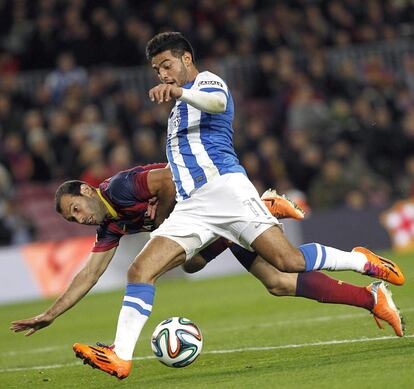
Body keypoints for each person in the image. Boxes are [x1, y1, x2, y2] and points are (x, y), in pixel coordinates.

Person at [13, 32, 405, 379]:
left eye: (166, 65)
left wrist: (181, 91)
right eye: (156, 70)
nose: (162, 74)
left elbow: (216, 103)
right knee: (147, 269)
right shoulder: (171, 121)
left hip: (224, 190)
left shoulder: (205, 82)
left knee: (288, 266)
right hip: (194, 206)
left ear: (186, 59)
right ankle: (120, 355)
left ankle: (360, 261)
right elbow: (89, 273)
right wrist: (51, 313)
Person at [11, 163, 404, 379]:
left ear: (85, 191)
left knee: (150, 268)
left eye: (74, 210)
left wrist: (163, 222)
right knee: (278, 281)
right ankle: (370, 297)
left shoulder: (121, 188)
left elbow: (167, 177)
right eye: (70, 220)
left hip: (214, 203)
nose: (77, 220)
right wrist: (51, 313)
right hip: (209, 225)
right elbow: (89, 273)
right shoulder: (110, 224)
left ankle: (120, 354)